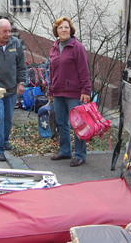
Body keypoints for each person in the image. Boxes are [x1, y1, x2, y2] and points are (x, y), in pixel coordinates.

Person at [47, 17, 91, 167]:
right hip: (58, 92)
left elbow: (84, 70)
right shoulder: (54, 48)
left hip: (74, 93)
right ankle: (65, 151)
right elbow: (51, 71)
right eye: (60, 27)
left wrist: (86, 90)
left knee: (77, 124)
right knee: (61, 123)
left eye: (66, 27)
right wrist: (50, 89)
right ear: (56, 31)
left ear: (71, 30)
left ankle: (80, 155)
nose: (64, 30)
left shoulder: (77, 47)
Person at [0, 19, 26, 162]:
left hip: (11, 88)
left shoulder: (16, 43)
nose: (8, 34)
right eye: (4, 31)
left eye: (9, 31)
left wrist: (21, 83)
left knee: (8, 118)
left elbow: (21, 66)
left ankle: (5, 140)